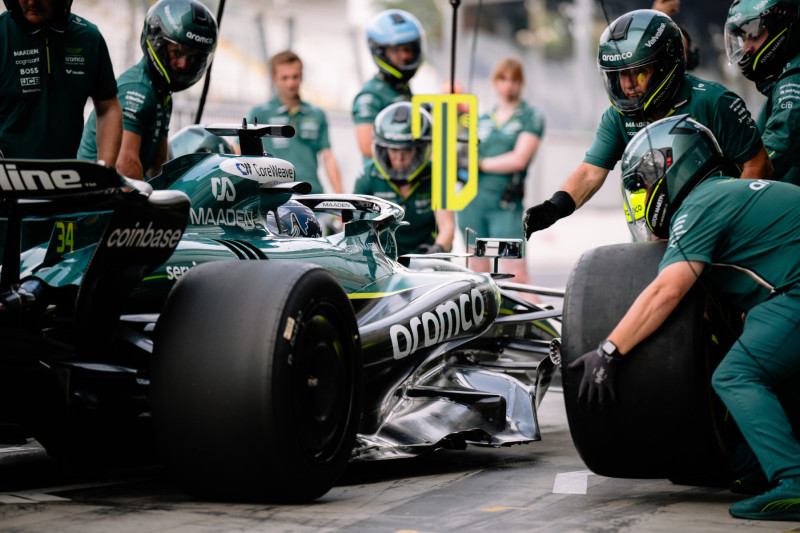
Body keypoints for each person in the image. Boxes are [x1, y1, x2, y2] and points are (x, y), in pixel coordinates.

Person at [570, 114, 800, 522]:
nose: (640, 194)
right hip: (788, 289)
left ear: (669, 169)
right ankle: (756, 469)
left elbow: (666, 290)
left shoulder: (699, 206)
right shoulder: (729, 192)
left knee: (736, 375)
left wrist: (609, 351)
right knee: (771, 363)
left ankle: (793, 482)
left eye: (641, 182)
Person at [523, 9, 772, 241]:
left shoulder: (714, 101)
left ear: (666, 65)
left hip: (717, 231)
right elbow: (590, 172)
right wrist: (554, 207)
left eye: (639, 72)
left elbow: (758, 165)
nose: (628, 84)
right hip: (652, 236)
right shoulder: (617, 116)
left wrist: (724, 224)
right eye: (620, 74)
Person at [77, 0, 217, 180]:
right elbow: (125, 166)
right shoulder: (138, 90)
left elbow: (158, 166)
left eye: (191, 58)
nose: (183, 65)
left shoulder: (162, 94)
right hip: (96, 197)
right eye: (178, 52)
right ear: (158, 43)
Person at [0, 0, 121, 162]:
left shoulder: (88, 38)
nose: (31, 2)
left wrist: (107, 168)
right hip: (8, 177)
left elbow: (108, 107)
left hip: (66, 177)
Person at [458, 57, 544, 284]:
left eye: (514, 80)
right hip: (473, 204)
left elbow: (518, 160)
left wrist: (481, 164)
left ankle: (534, 319)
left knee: (516, 273)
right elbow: (464, 156)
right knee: (478, 278)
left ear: (521, 83)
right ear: (495, 82)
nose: (509, 85)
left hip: (504, 206)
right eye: (503, 79)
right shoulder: (481, 118)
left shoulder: (530, 117)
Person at [352, 102, 454, 257]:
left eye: (406, 150)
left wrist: (437, 250)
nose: (399, 157)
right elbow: (351, 223)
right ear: (383, 148)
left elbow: (447, 226)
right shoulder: (368, 175)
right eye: (393, 149)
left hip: (426, 256)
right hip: (381, 256)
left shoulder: (438, 174)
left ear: (420, 149)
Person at [725, 0, 800, 185]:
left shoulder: (794, 78)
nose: (745, 48)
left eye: (753, 34)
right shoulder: (784, 75)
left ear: (781, 22)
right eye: (743, 37)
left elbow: (776, 148)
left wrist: (729, 188)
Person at [247, 51, 343, 194]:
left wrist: (340, 199)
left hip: (311, 194)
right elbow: (241, 153)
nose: (290, 83)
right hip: (276, 197)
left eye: (295, 77)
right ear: (273, 78)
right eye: (284, 78)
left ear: (302, 77)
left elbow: (328, 156)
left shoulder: (317, 114)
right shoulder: (260, 113)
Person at [352, 9, 425, 159]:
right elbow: (367, 147)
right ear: (381, 52)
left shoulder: (402, 89)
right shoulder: (371, 95)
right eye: (397, 50)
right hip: (384, 180)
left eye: (409, 49)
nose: (405, 56)